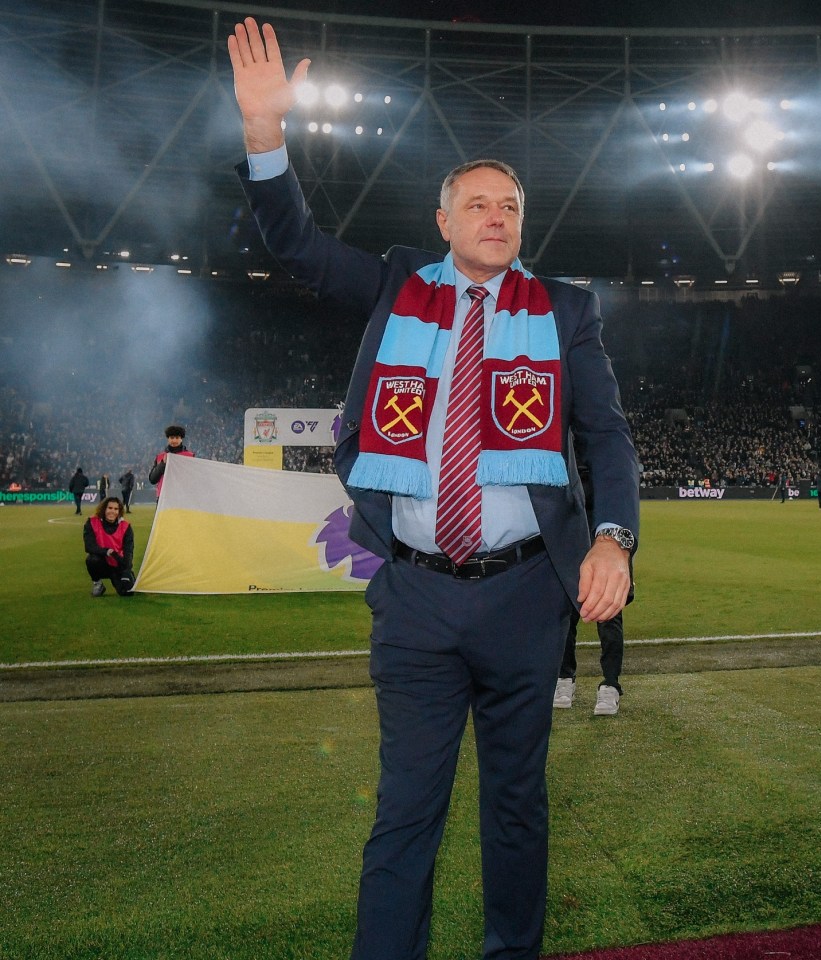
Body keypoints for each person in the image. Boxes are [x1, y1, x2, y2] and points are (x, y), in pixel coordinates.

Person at [229, 17, 640, 960]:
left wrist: (613, 533)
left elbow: (605, 437)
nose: (497, 218)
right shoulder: (390, 288)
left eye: (511, 207)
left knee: (515, 809)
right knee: (404, 813)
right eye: (478, 204)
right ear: (444, 222)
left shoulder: (565, 311)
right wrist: (263, 133)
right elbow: (292, 241)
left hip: (525, 595)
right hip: (413, 594)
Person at [554, 454, 631, 716]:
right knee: (566, 615)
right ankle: (565, 679)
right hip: (570, 540)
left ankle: (610, 685)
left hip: (604, 541)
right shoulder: (563, 441)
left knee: (609, 616)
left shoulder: (605, 448)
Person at [83, 496, 135, 597]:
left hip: (118, 564)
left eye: (116, 509)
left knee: (127, 592)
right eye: (110, 508)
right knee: (91, 560)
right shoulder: (92, 522)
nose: (113, 511)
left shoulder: (126, 527)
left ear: (119, 511)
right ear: (104, 509)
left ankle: (125, 579)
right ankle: (97, 583)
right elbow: (89, 546)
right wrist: (107, 551)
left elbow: (129, 552)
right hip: (102, 563)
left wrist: (126, 571)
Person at [148, 425, 194, 499]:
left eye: (177, 438)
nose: (174, 440)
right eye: (172, 438)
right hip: (164, 498)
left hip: (183, 498)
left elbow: (193, 478)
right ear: (168, 439)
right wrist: (163, 464)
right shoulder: (160, 457)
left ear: (181, 439)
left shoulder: (190, 456)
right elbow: (152, 480)